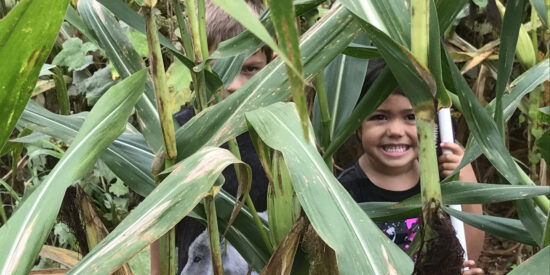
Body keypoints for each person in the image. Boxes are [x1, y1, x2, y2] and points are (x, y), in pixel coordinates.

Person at [152, 1, 273, 274]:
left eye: (250, 69)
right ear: (198, 67)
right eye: (220, 71)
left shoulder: (279, 136)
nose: (232, 84)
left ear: (271, 63)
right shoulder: (180, 135)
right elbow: (158, 222)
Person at [337, 61, 485, 274]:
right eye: (379, 117)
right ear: (357, 126)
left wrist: (465, 178)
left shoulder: (441, 181)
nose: (396, 130)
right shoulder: (344, 191)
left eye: (410, 117)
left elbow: (468, 249)